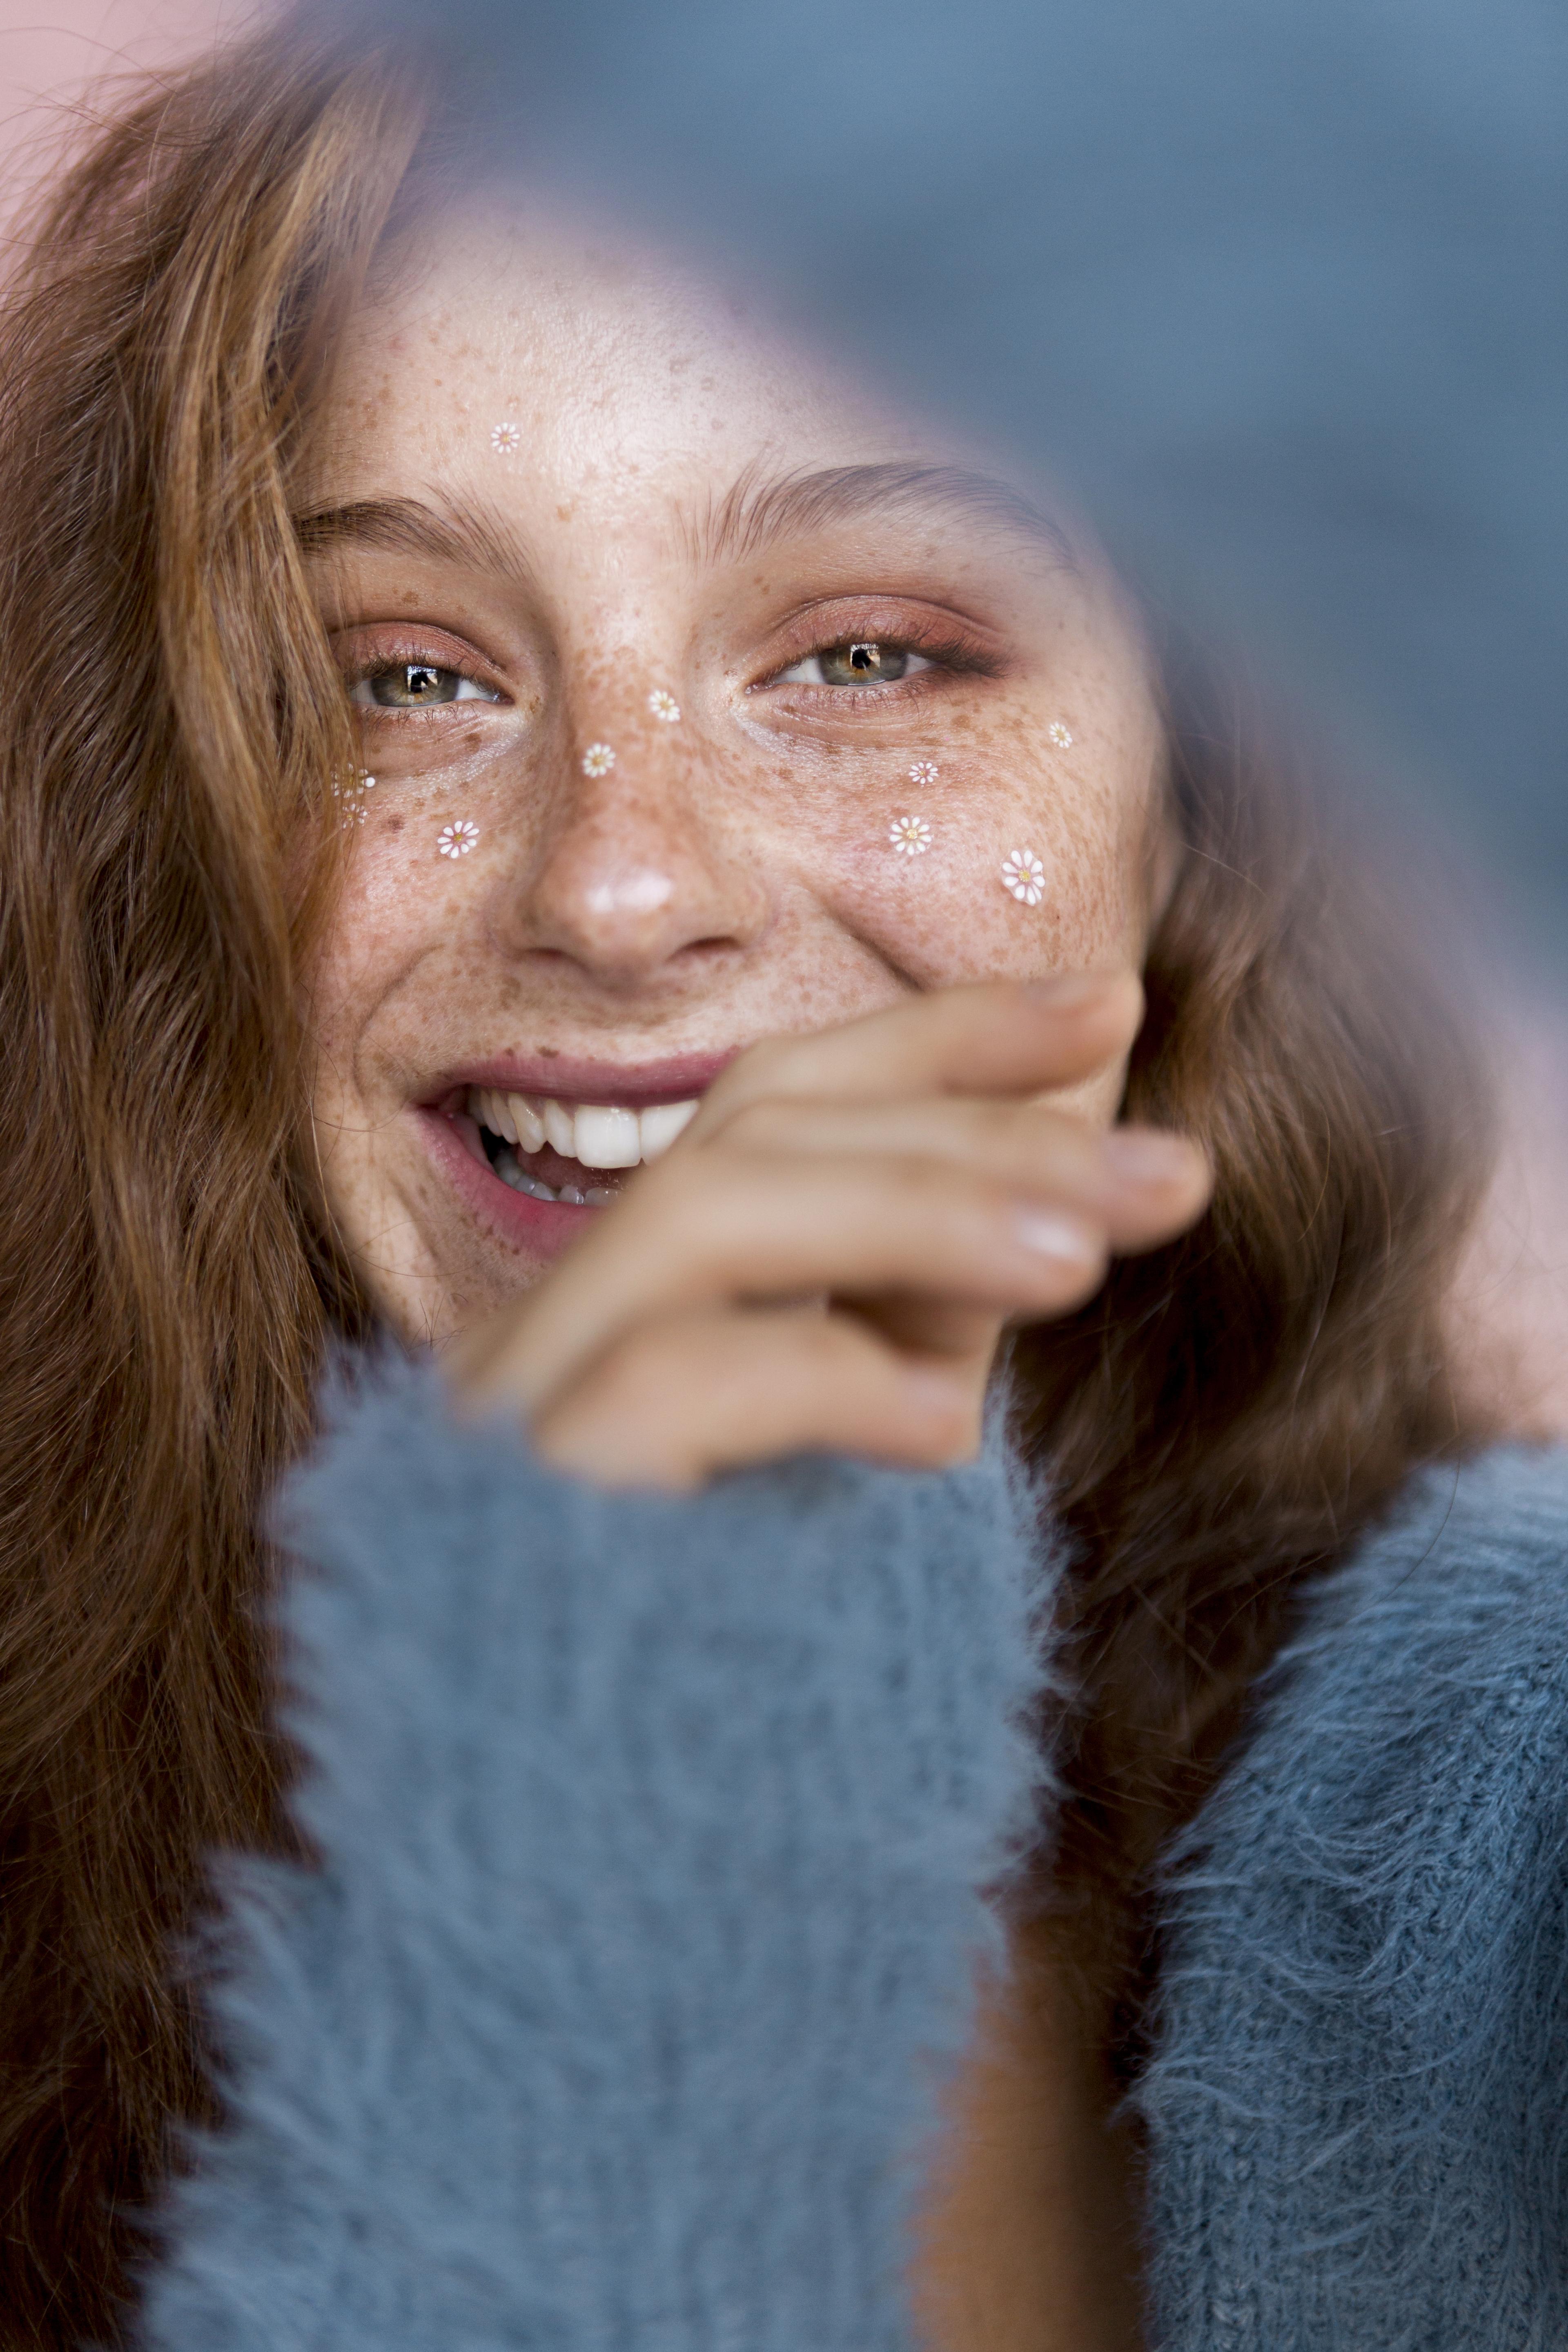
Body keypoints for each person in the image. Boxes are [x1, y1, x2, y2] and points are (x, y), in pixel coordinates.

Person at [1, 16, 1563, 2350]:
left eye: (870, 650)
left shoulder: (1503, 1819)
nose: (625, 891)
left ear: (1200, 809)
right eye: (397, 681)